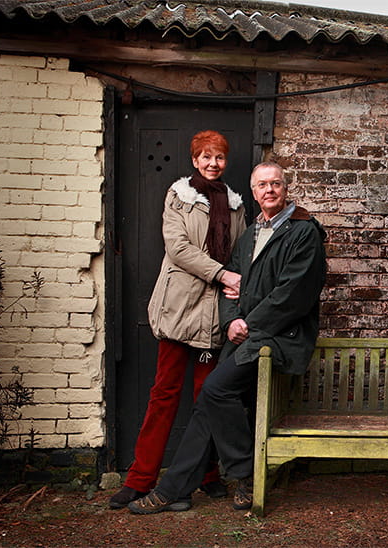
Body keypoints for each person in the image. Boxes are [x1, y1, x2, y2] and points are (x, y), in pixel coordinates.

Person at [127, 161, 327, 514]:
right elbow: (230, 286)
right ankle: (176, 489)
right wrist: (231, 322)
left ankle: (245, 472)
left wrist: (248, 326)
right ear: (253, 192)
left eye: (276, 184)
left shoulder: (304, 232)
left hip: (280, 337)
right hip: (246, 336)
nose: (269, 190)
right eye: (262, 185)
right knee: (209, 400)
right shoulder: (250, 234)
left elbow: (293, 296)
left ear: (285, 188)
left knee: (216, 391)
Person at [109, 130, 246, 509]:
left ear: (225, 161)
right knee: (164, 394)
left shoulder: (236, 206)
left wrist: (234, 281)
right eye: (205, 157)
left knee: (209, 398)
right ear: (194, 160)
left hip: (213, 318)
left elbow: (241, 254)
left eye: (218, 157)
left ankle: (206, 474)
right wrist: (223, 275)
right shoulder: (179, 197)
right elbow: (179, 248)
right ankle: (139, 479)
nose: (212, 163)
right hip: (178, 311)